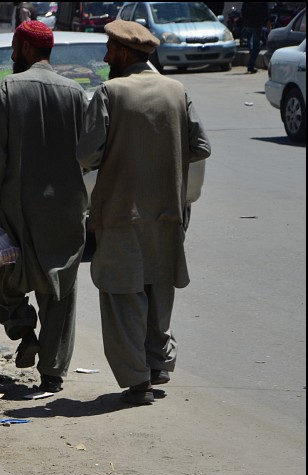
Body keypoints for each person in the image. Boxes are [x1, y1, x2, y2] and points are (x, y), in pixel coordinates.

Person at [76, 20, 211, 406]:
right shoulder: (176, 90)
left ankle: (138, 383)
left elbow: (87, 155)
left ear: (122, 52)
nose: (104, 57)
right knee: (158, 292)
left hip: (120, 215)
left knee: (123, 297)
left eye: (109, 49)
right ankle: (157, 367)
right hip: (168, 215)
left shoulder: (109, 92)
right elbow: (200, 146)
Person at [0, 20, 88, 395]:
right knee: (60, 288)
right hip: (66, 209)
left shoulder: (9, 87)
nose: (10, 54)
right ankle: (52, 373)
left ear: (23, 47)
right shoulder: (75, 93)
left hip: (16, 205)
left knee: (4, 270)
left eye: (14, 47)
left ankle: (23, 330)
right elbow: (87, 154)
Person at [240, 1, 272, 74]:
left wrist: (245, 21)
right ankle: (250, 66)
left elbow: (243, 11)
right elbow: (266, 12)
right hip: (257, 25)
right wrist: (267, 21)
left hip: (248, 24)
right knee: (256, 47)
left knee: (252, 45)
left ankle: (251, 60)